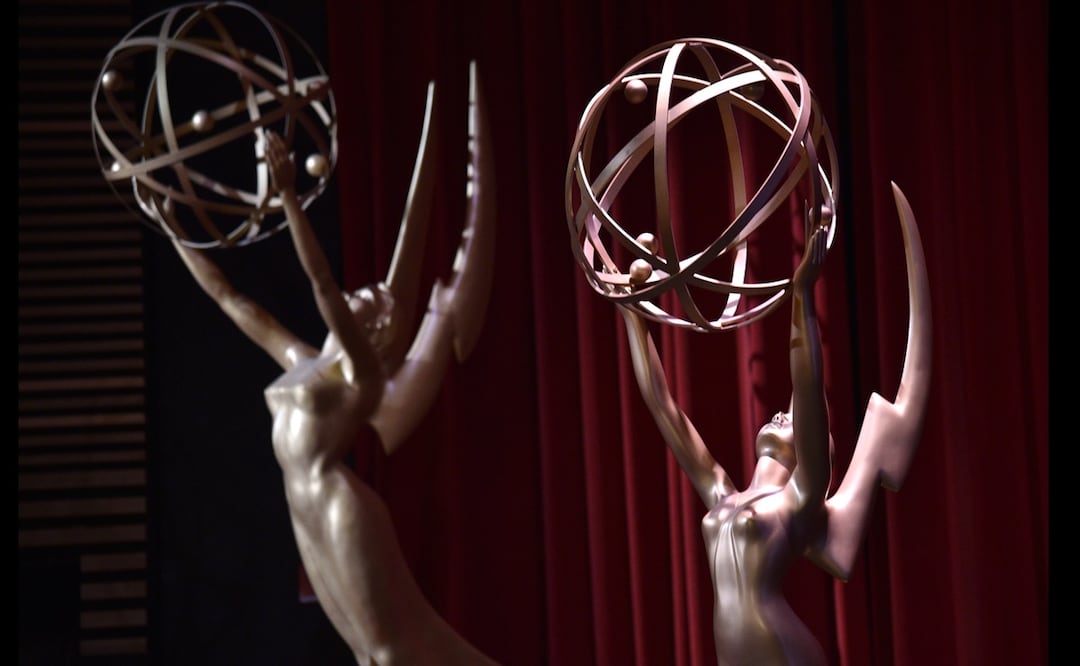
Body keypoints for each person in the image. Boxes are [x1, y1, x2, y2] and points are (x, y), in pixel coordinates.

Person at [167, 65, 498, 666]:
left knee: (388, 652)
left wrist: (290, 194)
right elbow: (229, 299)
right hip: (303, 505)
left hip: (339, 506)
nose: (359, 294)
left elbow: (321, 282)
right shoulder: (301, 359)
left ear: (376, 329)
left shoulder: (363, 376)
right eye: (362, 291)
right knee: (366, 654)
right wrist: (172, 225)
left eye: (371, 299)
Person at [619, 184, 930, 666]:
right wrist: (631, 316)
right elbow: (664, 410)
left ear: (812, 451)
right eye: (781, 415)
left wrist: (801, 297)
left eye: (794, 423)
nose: (781, 414)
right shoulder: (721, 491)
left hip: (780, 651)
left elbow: (807, 390)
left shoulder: (801, 499)